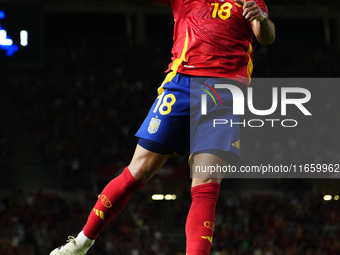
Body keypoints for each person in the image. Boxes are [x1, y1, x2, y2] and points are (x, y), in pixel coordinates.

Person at [50, 0, 275, 254]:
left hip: (224, 92)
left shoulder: (249, 0)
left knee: (205, 184)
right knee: (137, 172)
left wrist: (263, 19)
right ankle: (80, 244)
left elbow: (265, 37)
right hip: (180, 85)